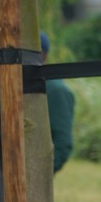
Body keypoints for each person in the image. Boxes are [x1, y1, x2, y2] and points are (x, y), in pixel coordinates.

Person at [40, 31, 74, 173]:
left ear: (43, 55)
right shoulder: (16, 85)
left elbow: (63, 143)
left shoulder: (55, 90)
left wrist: (39, 175)